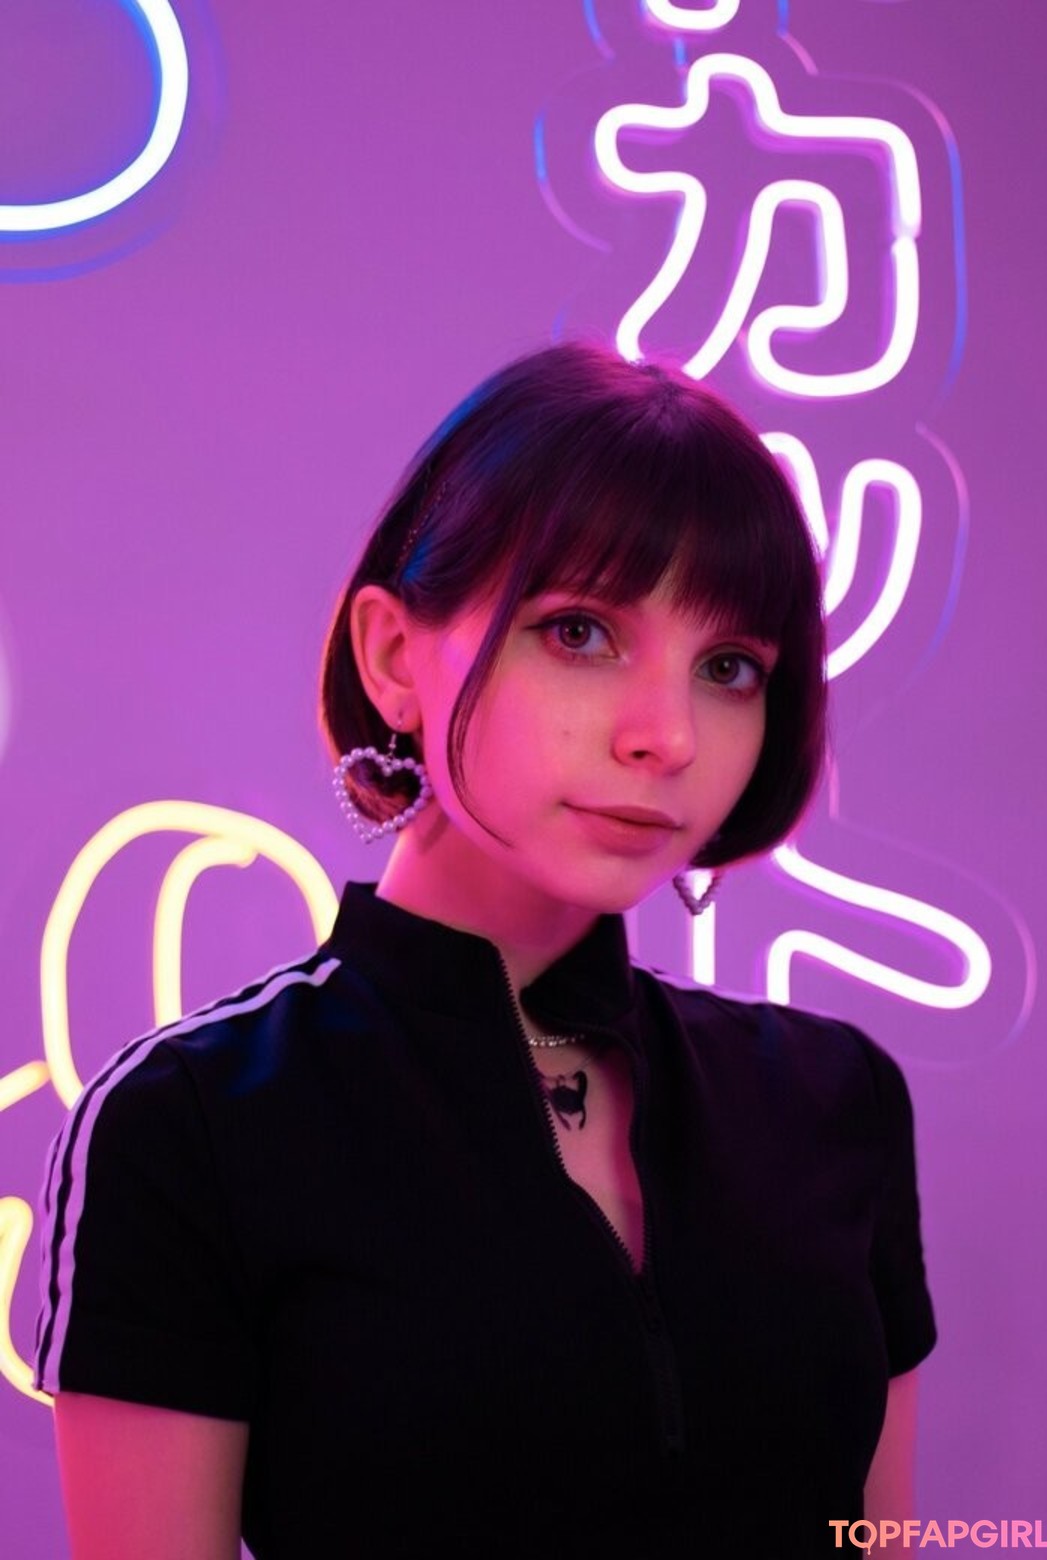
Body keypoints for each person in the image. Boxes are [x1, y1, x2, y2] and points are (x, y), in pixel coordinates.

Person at [34, 341, 936, 1559]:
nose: (667, 735)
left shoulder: (834, 1100)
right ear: (394, 658)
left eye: (729, 668)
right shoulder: (194, 1123)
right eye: (580, 632)